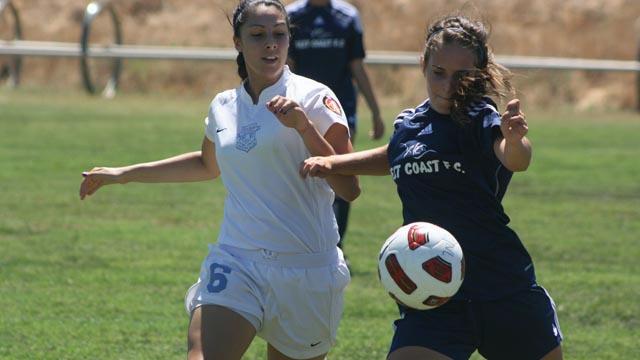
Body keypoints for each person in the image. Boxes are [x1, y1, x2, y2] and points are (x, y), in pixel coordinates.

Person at [79, 1, 359, 359]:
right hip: (236, 259)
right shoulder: (224, 104)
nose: (271, 44)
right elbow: (205, 164)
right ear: (238, 42)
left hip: (306, 270)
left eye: (279, 34)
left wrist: (304, 128)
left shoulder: (315, 98)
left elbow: (349, 188)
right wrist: (123, 174)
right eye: (258, 35)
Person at [301, 14, 564, 360]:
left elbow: (515, 157)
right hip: (434, 290)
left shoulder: (480, 118)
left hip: (502, 286)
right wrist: (333, 164)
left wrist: (515, 140)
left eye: (462, 76)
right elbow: (394, 157)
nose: (447, 86)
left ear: (479, 75)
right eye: (438, 72)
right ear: (423, 64)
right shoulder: (409, 125)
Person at [286, 0, 385, 252]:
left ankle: (336, 246)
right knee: (301, 177)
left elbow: (357, 67)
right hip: (299, 114)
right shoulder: (291, 15)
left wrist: (375, 111)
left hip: (339, 114)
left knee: (342, 176)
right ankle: (299, 243)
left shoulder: (348, 16)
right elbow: (286, 67)